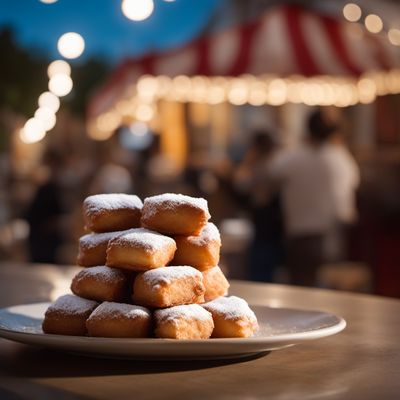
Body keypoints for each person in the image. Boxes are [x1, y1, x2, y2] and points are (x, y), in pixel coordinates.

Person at [267, 109, 357, 286]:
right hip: (330, 236)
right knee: (329, 292)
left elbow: (271, 172)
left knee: (302, 290)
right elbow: (346, 208)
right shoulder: (340, 158)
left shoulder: (294, 157)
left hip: (298, 236)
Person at [233, 130, 284, 282]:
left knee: (261, 262)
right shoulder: (278, 163)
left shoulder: (260, 166)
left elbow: (240, 185)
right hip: (275, 221)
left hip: (265, 219)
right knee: (269, 262)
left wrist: (247, 163)